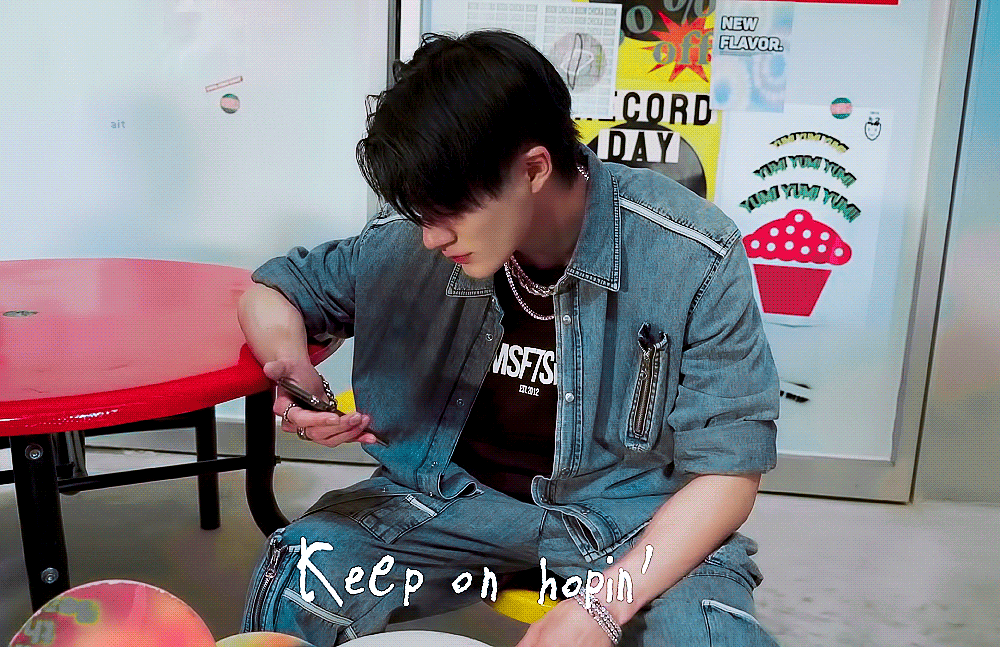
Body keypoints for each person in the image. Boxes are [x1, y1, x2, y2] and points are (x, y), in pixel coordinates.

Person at [238, 30, 781, 647]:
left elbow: (729, 474)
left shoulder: (692, 253)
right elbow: (272, 290)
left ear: (534, 169)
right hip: (444, 505)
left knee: (710, 637)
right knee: (299, 575)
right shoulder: (410, 238)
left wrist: (601, 608)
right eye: (421, 214)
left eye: (449, 212)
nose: (431, 238)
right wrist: (291, 365)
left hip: (632, 522)